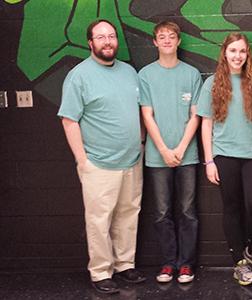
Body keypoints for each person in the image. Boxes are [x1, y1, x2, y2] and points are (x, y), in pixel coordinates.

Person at [58, 19, 146, 294]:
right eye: (101, 37)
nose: (107, 41)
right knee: (99, 220)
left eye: (111, 36)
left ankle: (124, 264)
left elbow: (139, 111)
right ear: (90, 42)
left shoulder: (130, 72)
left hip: (132, 160)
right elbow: (69, 120)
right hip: (98, 162)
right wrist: (82, 160)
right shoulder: (79, 75)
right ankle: (100, 272)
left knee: (128, 214)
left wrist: (141, 143)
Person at [198, 33, 252, 286]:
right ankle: (239, 264)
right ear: (225, 53)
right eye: (233, 50)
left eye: (242, 51)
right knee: (231, 207)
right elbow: (206, 123)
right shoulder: (212, 83)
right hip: (224, 155)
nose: (237, 56)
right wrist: (209, 161)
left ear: (247, 54)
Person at [139, 21, 201, 284]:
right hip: (157, 156)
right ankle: (168, 263)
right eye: (161, 37)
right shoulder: (145, 75)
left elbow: (196, 115)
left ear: (178, 41)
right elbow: (147, 115)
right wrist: (164, 149)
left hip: (187, 155)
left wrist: (180, 148)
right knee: (162, 212)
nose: (166, 40)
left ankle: (186, 265)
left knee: (187, 211)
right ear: (155, 42)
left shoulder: (191, 74)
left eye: (171, 36)